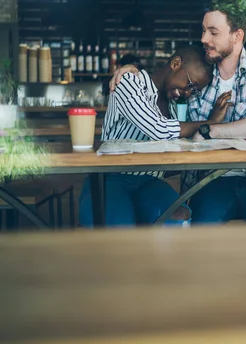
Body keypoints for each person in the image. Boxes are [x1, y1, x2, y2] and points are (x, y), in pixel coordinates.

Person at [112, 2, 246, 224]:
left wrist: (212, 130)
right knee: (195, 241)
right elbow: (176, 117)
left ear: (237, 36)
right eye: (203, 30)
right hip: (208, 181)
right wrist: (130, 70)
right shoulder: (200, 79)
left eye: (213, 32)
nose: (203, 38)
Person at [79, 45, 215, 228]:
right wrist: (212, 124)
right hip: (111, 179)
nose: (188, 93)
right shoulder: (128, 81)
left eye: (194, 91)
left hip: (151, 181)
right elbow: (158, 129)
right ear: (176, 63)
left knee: (179, 216)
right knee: (119, 232)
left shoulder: (174, 107)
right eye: (190, 85)